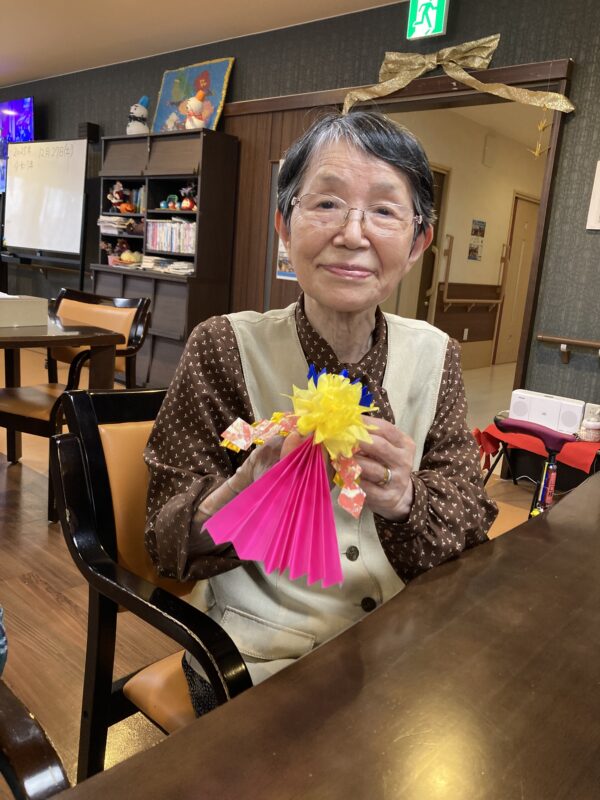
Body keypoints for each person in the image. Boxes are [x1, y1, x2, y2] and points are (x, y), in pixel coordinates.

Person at [144, 109, 498, 715]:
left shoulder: (436, 354)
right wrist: (244, 492)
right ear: (284, 225)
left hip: (405, 640)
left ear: (418, 242)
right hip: (256, 655)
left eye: (384, 210)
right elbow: (165, 538)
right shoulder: (224, 347)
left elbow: (468, 516)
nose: (353, 234)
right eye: (327, 203)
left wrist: (405, 497)